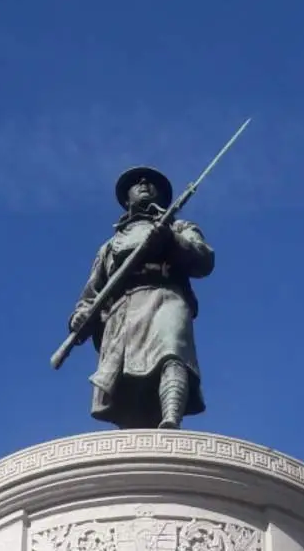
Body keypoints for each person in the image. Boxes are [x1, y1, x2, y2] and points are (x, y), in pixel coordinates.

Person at [69, 167, 216, 430]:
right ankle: (133, 432)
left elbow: (203, 260)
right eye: (136, 182)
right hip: (123, 311)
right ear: (126, 199)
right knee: (127, 377)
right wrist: (80, 317)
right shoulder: (110, 246)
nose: (144, 183)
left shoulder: (179, 227)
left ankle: (171, 416)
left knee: (173, 352)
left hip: (166, 297)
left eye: (151, 181)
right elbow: (91, 293)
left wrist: (170, 239)